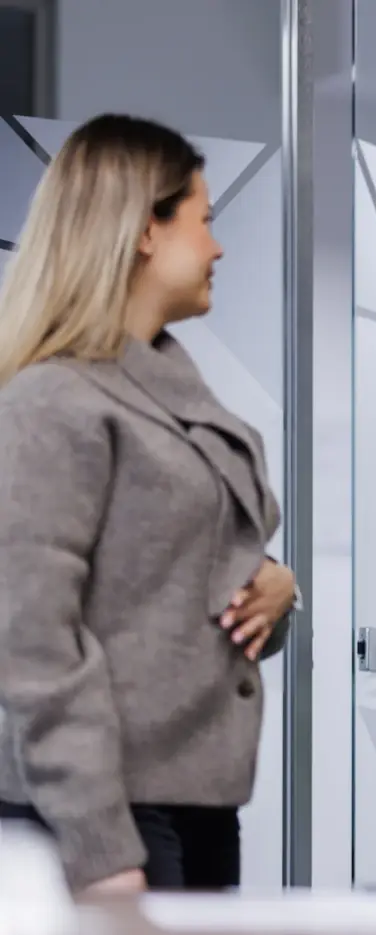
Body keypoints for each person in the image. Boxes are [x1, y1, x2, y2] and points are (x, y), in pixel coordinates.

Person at [0, 114, 298, 895]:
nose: (217, 247)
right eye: (203, 220)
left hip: (194, 798)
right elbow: (29, 636)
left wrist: (277, 590)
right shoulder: (51, 401)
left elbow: (165, 588)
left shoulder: (169, 393)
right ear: (142, 232)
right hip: (102, 807)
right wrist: (99, 844)